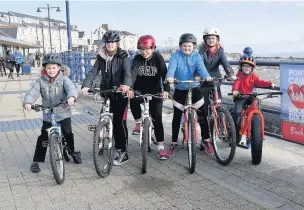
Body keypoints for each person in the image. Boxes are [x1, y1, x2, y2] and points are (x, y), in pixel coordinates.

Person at [23, 53, 82, 173]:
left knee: (68, 133)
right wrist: (28, 102)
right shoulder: (41, 81)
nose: (51, 70)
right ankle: (36, 161)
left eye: (54, 68)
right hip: (48, 113)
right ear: (44, 68)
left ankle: (72, 151)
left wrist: (71, 97)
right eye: (48, 68)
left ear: (59, 68)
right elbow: (33, 92)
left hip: (63, 111)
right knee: (43, 137)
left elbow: (71, 88)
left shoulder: (64, 79)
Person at [81, 30, 132, 166]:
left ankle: (122, 151)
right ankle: (102, 137)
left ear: (117, 43)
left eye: (112, 42)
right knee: (103, 115)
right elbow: (93, 72)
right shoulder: (101, 57)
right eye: (108, 42)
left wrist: (126, 84)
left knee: (118, 123)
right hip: (106, 91)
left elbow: (127, 72)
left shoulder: (123, 56)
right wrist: (86, 85)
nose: (110, 44)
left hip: (120, 91)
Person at [166, 33, 213, 157]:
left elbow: (201, 68)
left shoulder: (197, 56)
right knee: (177, 116)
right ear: (180, 46)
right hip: (180, 87)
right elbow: (172, 67)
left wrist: (206, 76)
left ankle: (206, 141)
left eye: (190, 46)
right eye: (184, 46)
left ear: (194, 47)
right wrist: (170, 76)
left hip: (195, 87)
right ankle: (174, 142)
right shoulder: (175, 56)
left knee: (202, 114)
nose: (187, 48)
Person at [128, 35, 171, 160]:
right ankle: (137, 122)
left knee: (157, 119)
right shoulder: (137, 58)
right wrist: (130, 88)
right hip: (139, 89)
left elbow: (164, 74)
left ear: (153, 48)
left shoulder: (158, 58)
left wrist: (166, 90)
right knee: (133, 99)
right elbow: (133, 73)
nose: (144, 51)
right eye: (141, 49)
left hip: (155, 91)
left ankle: (161, 149)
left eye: (147, 49)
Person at [196, 27, 237, 151]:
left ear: (217, 39)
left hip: (215, 79)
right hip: (203, 79)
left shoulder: (220, 50)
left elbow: (225, 63)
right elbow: (200, 63)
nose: (211, 40)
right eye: (209, 38)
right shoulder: (202, 50)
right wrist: (201, 76)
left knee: (218, 105)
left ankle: (220, 122)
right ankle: (205, 139)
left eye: (213, 38)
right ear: (205, 40)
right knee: (204, 109)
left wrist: (230, 73)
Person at [232, 53, 276, 145]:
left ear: (252, 68)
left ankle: (258, 125)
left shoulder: (253, 76)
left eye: (249, 66)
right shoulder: (238, 75)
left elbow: (259, 82)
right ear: (241, 67)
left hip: (250, 96)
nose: (247, 68)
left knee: (258, 103)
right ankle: (235, 131)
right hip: (240, 97)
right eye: (245, 66)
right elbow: (236, 84)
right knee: (237, 113)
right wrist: (235, 91)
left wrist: (270, 83)